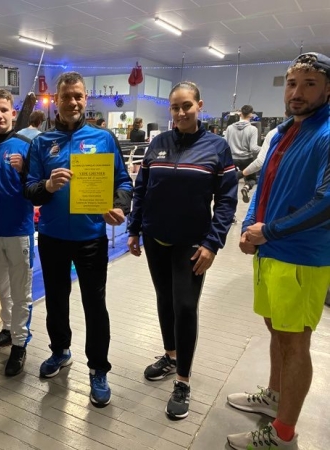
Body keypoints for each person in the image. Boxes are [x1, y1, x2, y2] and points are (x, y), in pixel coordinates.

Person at [226, 52, 330, 450]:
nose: (297, 92)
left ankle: (284, 433)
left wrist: (268, 231)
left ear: (327, 89)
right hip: (273, 250)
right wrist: (249, 228)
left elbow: (327, 201)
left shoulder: (325, 132)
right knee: (275, 329)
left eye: (309, 84)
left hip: (301, 256)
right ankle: (274, 397)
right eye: (292, 84)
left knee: (295, 341)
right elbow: (265, 184)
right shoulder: (289, 130)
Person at [127, 81, 238, 420]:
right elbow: (142, 188)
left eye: (186, 106)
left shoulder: (216, 147)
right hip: (156, 239)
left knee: (185, 306)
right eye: (175, 107)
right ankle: (170, 355)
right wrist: (134, 229)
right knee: (164, 300)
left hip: (192, 243)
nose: (180, 113)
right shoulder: (158, 143)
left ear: (199, 105)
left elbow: (227, 200)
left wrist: (212, 243)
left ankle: (183, 381)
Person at [24, 71, 133, 408]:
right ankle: (60, 351)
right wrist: (47, 187)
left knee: (94, 306)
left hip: (91, 239)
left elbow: (124, 182)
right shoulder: (41, 144)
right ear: (56, 100)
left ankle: (99, 368)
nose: (72, 102)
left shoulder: (103, 139)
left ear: (85, 99)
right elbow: (29, 190)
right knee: (56, 301)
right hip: (54, 237)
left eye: (78, 96)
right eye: (66, 96)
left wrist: (119, 206)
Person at [0, 89, 35, 376]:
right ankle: (8, 330)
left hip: (19, 230)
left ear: (13, 113)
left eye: (4, 110)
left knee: (21, 291)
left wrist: (26, 170)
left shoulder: (26, 146)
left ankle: (20, 343)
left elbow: (38, 189)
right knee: (2, 289)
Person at [225, 105, 261, 203]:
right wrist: (265, 149)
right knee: (252, 179)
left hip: (233, 159)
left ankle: (230, 201)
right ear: (251, 115)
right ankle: (246, 187)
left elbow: (225, 145)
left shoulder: (229, 128)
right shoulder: (253, 129)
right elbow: (253, 148)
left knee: (232, 181)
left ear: (240, 113)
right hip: (247, 159)